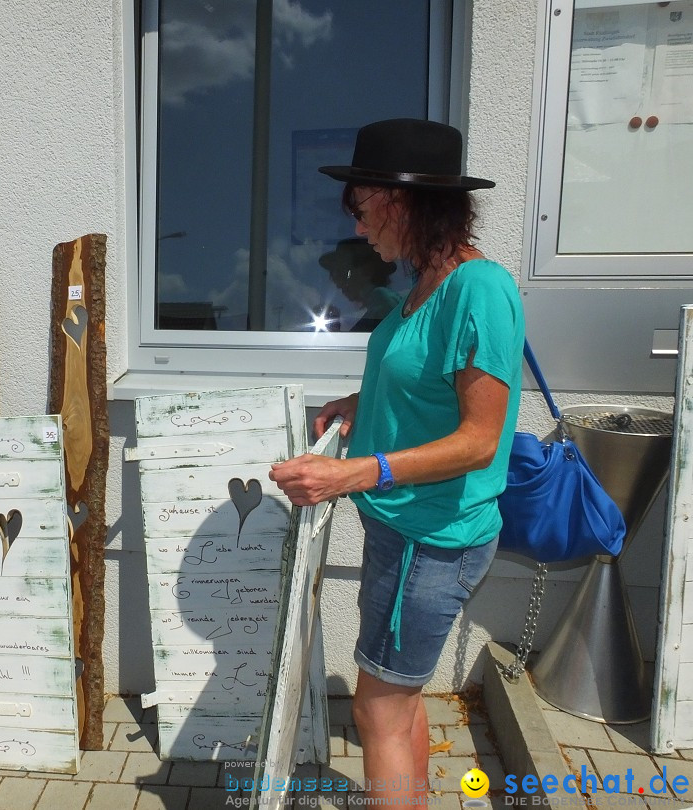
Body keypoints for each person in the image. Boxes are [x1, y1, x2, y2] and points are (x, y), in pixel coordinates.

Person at [269, 119, 524, 804]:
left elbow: (479, 439)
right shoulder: (424, 286)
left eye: (358, 208)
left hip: (432, 540)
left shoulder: (480, 290)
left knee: (376, 710)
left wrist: (351, 473)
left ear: (398, 201)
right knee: (400, 704)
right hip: (404, 533)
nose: (357, 228)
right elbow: (427, 382)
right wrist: (359, 402)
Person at [318, 238, 402, 332]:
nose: (339, 284)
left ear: (367, 271)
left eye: (344, 273)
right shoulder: (373, 307)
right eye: (336, 276)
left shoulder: (382, 298)